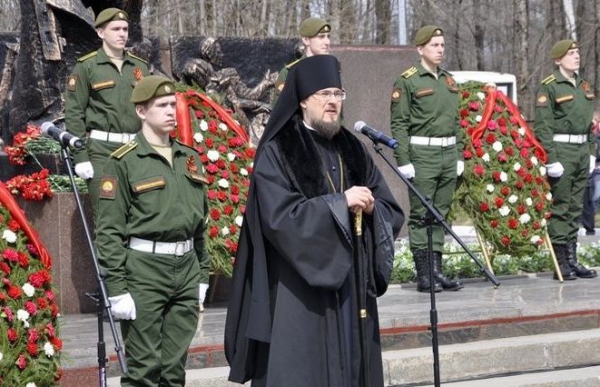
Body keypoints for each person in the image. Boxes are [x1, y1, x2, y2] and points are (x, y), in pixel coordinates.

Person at [224, 55, 404, 386]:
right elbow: (280, 218)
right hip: (300, 291)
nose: (333, 102)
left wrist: (371, 209)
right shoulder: (279, 150)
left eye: (339, 94)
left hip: (351, 289)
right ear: (304, 99)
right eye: (325, 94)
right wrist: (340, 203)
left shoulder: (353, 148)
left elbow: (389, 208)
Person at [95, 76, 210, 385]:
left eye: (173, 104)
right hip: (144, 272)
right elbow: (108, 232)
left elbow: (202, 225)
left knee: (175, 370)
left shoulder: (190, 159)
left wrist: (202, 275)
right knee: (144, 370)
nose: (171, 111)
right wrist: (117, 289)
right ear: (142, 112)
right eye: (162, 105)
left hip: (185, 270)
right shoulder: (123, 161)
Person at [389, 25, 464, 293]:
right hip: (422, 156)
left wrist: (460, 153)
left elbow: (458, 121)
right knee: (422, 215)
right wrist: (403, 159)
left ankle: (436, 271)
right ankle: (424, 275)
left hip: (448, 154)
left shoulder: (449, 81)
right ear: (420, 49)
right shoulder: (408, 81)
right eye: (434, 45)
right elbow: (399, 124)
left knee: (440, 215)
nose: (440, 49)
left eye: (442, 45)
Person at [65, 7, 150, 219]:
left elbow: (150, 110)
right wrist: (80, 156)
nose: (122, 34)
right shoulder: (87, 67)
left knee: (142, 217)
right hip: (103, 152)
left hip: (136, 149)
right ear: (101, 32)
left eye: (125, 29)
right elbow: (74, 112)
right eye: (115, 29)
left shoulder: (139, 68)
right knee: (107, 218)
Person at [534, 39, 598, 280]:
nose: (577, 56)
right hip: (562, 151)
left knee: (575, 207)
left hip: (581, 151)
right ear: (558, 60)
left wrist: (592, 152)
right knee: (561, 207)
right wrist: (551, 158)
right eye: (571, 53)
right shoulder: (550, 86)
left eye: (577, 52)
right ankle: (560, 262)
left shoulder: (583, 86)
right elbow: (543, 127)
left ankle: (572, 258)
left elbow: (591, 125)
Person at [271, 17, 332, 105]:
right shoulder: (290, 72)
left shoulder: (332, 71)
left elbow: (338, 114)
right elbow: (279, 114)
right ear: (306, 40)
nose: (327, 42)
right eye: (321, 37)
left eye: (328, 36)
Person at [581, 112, 600, 235]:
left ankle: (590, 225)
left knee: (595, 197)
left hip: (597, 171)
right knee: (590, 199)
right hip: (588, 170)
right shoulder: (587, 133)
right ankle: (589, 226)